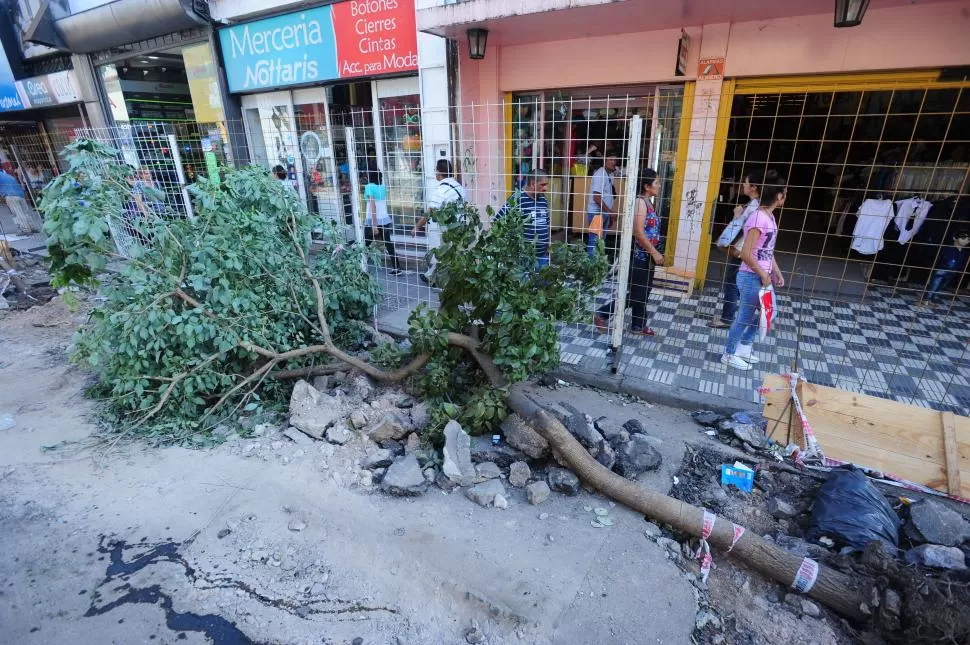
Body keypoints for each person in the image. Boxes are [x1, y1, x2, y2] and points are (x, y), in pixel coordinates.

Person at [722, 171, 787, 371]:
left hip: (761, 275)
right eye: (784, 193)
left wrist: (777, 272)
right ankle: (729, 353)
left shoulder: (770, 217)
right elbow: (746, 253)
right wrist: (763, 274)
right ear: (778, 196)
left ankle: (744, 346)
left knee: (770, 313)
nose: (785, 196)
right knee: (745, 317)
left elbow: (767, 250)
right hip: (751, 276)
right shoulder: (759, 218)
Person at [593, 168, 665, 336]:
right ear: (647, 186)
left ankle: (638, 325)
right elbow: (638, 232)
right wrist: (654, 252)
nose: (659, 185)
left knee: (643, 292)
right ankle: (603, 314)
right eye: (657, 182)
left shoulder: (648, 202)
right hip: (642, 256)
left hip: (647, 257)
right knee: (637, 294)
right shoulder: (640, 203)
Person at [709, 173, 763, 329]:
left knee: (732, 283)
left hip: (742, 251)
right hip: (749, 250)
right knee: (740, 283)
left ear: (754, 187)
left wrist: (737, 216)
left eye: (746, 183)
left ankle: (727, 318)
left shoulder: (753, 206)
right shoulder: (757, 204)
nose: (743, 186)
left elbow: (743, 229)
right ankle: (745, 315)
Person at [413, 159, 466, 284]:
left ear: (439, 172)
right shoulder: (459, 186)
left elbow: (430, 212)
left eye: (436, 170)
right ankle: (430, 276)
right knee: (451, 253)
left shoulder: (440, 191)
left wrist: (417, 227)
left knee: (442, 253)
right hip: (460, 226)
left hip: (446, 229)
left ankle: (435, 278)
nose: (435, 173)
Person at [494, 169, 551, 269]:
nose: (546, 188)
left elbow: (546, 223)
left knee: (544, 284)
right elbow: (498, 221)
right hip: (524, 258)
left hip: (542, 256)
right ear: (533, 184)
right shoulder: (517, 199)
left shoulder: (543, 199)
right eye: (543, 184)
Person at [364, 170, 402, 276]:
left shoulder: (369, 187)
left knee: (365, 244)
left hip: (373, 220)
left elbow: (373, 205)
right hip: (384, 219)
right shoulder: (382, 187)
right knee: (388, 244)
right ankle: (397, 268)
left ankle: (360, 266)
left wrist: (374, 225)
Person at [919, 229, 969, 306]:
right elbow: (941, 258)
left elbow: (962, 262)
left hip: (953, 272)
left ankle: (930, 299)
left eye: (968, 239)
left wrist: (960, 270)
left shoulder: (964, 252)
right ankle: (926, 300)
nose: (966, 241)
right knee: (934, 284)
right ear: (954, 238)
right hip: (942, 270)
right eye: (963, 238)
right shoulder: (948, 248)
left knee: (941, 286)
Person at [586, 153, 618, 257]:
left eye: (615, 160)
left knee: (600, 242)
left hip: (603, 213)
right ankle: (591, 269)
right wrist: (610, 212)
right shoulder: (600, 174)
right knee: (594, 243)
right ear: (605, 160)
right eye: (611, 159)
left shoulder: (609, 174)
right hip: (597, 214)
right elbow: (596, 197)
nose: (614, 162)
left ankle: (597, 267)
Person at [0, 167, 38, 234]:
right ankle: (32, 227)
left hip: (11, 196)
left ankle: (25, 230)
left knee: (18, 214)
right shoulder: (7, 175)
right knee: (25, 212)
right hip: (20, 195)